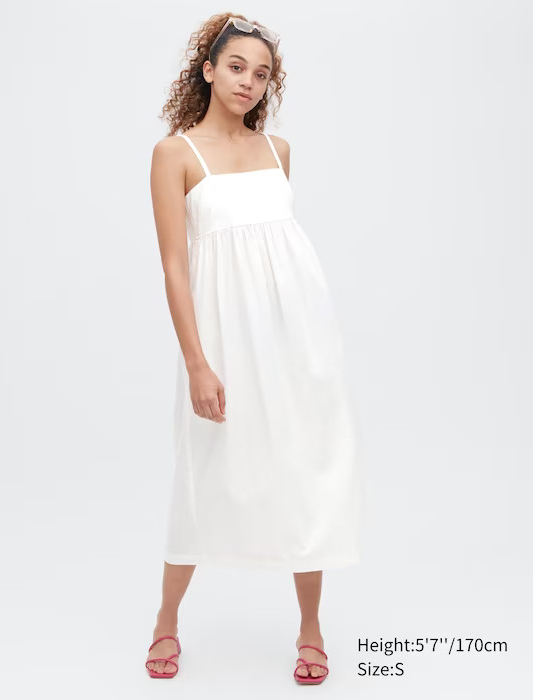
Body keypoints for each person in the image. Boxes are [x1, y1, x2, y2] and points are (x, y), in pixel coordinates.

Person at [146, 13, 363, 683]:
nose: (248, 81)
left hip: (298, 334)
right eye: (237, 66)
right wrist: (197, 363)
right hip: (222, 340)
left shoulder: (278, 150)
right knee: (202, 473)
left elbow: (282, 252)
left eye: (262, 73)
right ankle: (166, 620)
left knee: (306, 470)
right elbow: (175, 265)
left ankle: (310, 626)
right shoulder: (175, 154)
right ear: (208, 69)